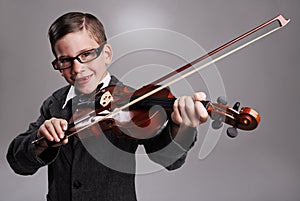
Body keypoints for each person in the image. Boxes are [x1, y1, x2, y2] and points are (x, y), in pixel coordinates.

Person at [6, 12, 208, 201]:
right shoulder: (55, 104)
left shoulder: (133, 102)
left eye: (86, 54)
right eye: (65, 60)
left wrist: (181, 128)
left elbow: (169, 160)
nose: (77, 68)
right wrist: (41, 141)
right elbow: (18, 162)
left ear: (107, 54)